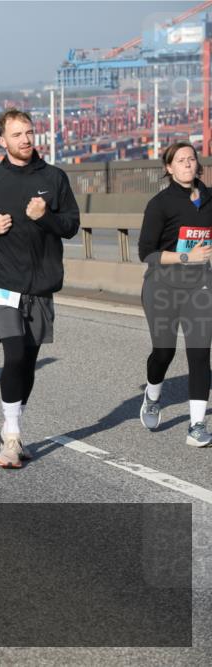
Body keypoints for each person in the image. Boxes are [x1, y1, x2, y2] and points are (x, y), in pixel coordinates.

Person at [0, 109, 81, 469]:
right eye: (16, 135)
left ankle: (10, 426)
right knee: (13, 355)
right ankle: (11, 437)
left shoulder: (54, 177)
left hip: (40, 283)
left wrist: (46, 217)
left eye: (28, 133)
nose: (25, 140)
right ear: (2, 141)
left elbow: (71, 225)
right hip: (1, 281)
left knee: (27, 362)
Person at [137, 141, 212, 447]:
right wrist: (186, 257)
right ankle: (153, 395)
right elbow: (146, 253)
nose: (187, 164)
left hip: (199, 288)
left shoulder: (210, 199)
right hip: (162, 288)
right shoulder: (160, 204)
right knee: (164, 352)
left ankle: (197, 426)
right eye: (180, 160)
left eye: (191, 158)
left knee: (200, 354)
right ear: (168, 168)